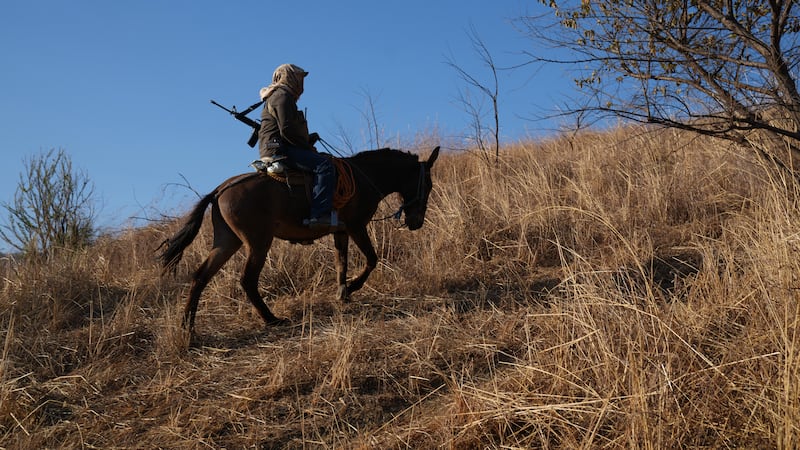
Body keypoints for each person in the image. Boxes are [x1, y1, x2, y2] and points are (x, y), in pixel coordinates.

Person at [257, 63, 339, 229]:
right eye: (299, 78)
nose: (301, 84)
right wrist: (306, 145)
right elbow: (287, 129)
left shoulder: (278, 96)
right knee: (324, 166)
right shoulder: (282, 96)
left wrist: (307, 139)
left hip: (276, 147)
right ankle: (319, 215)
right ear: (290, 77)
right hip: (279, 151)